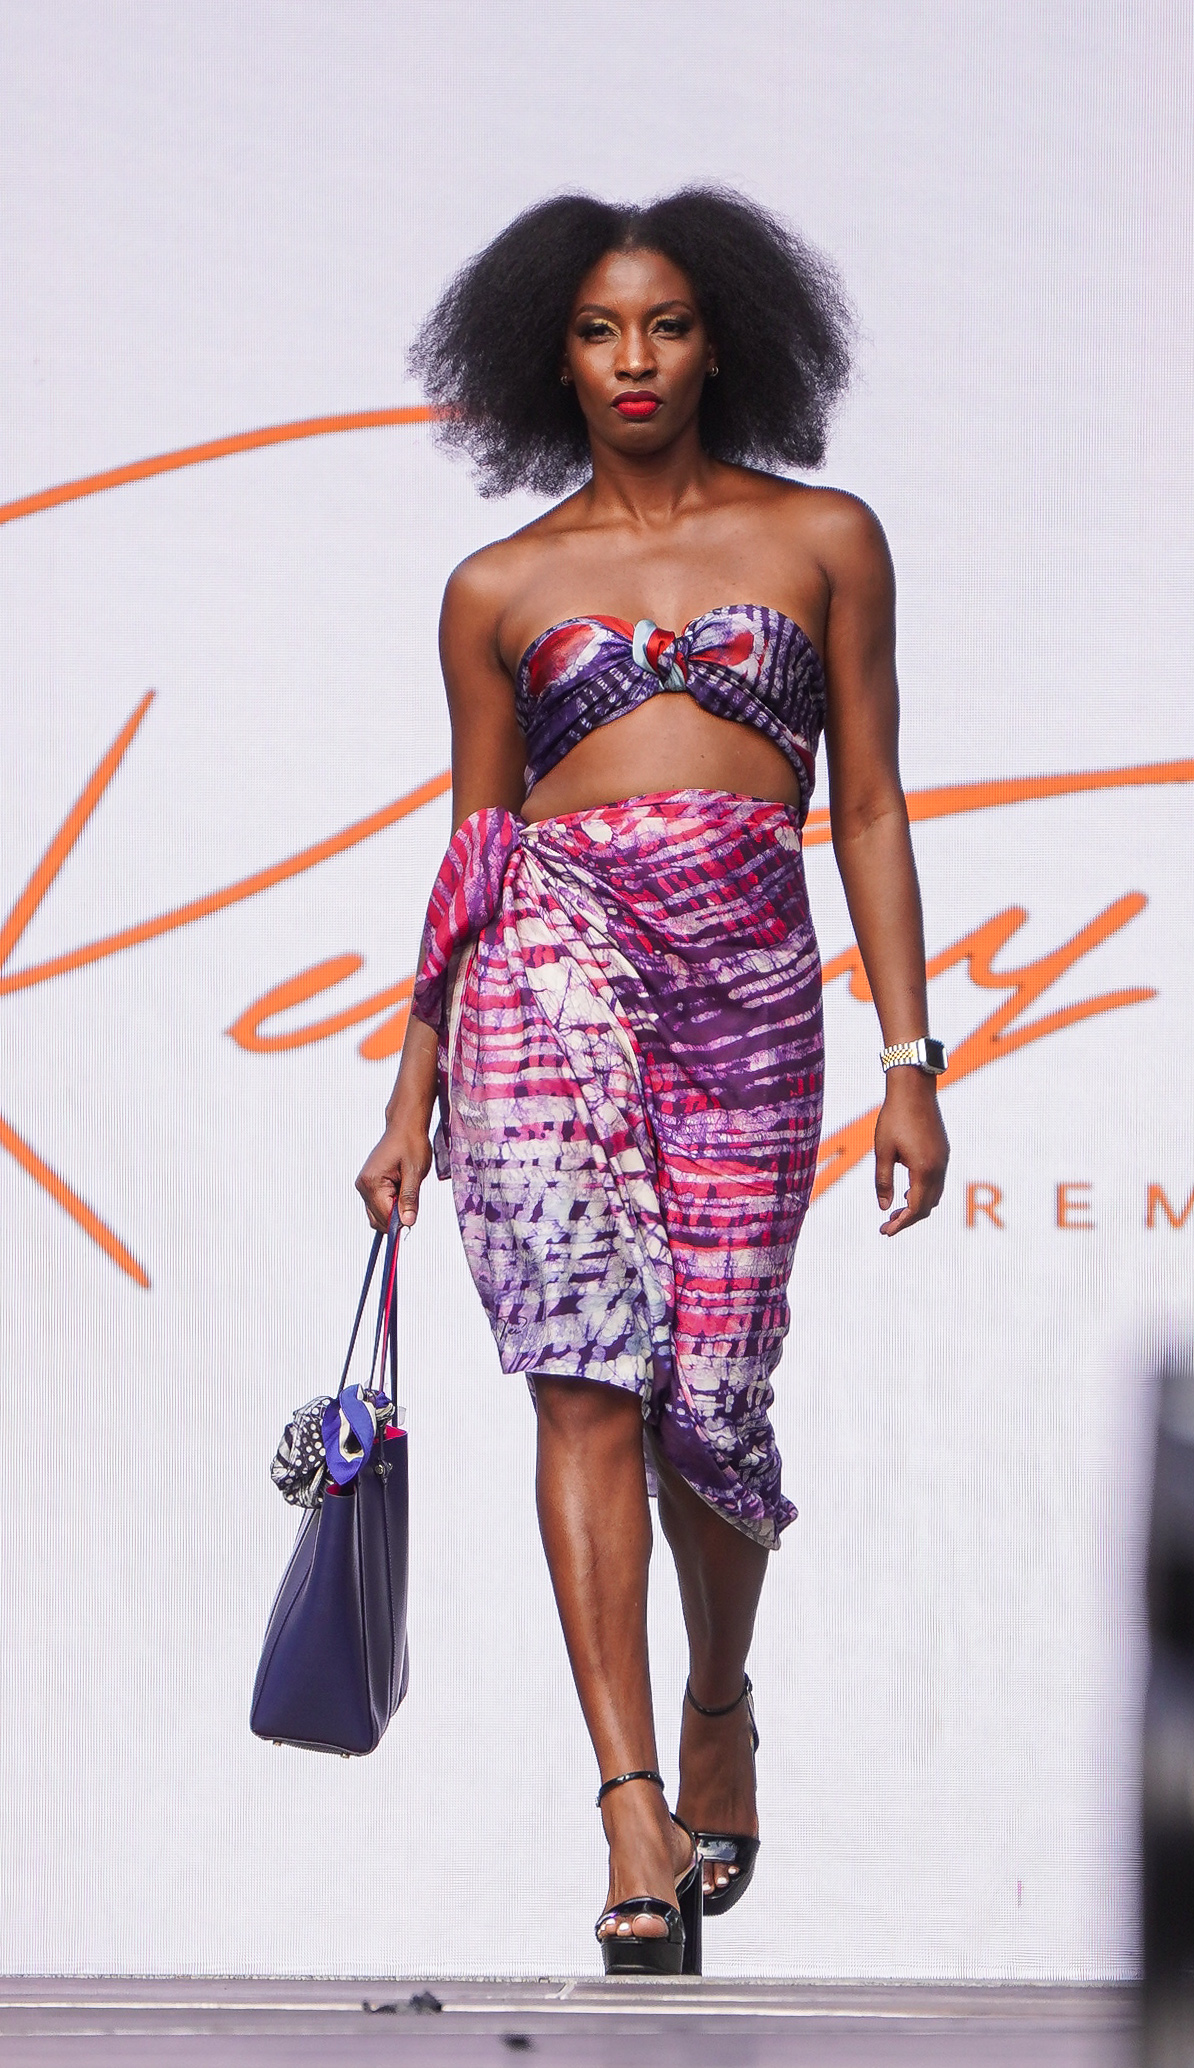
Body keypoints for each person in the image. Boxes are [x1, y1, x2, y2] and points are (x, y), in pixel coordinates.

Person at [355, 187, 950, 1974]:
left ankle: (716, 1702)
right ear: (552, 356)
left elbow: (868, 808)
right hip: (547, 974)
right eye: (602, 330)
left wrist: (911, 1059)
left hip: (747, 990)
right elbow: (475, 847)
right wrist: (413, 1089)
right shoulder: (499, 587)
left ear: (721, 343)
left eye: (669, 325)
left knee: (720, 1395)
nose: (636, 358)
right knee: (583, 1386)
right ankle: (629, 1805)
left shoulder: (824, 539)